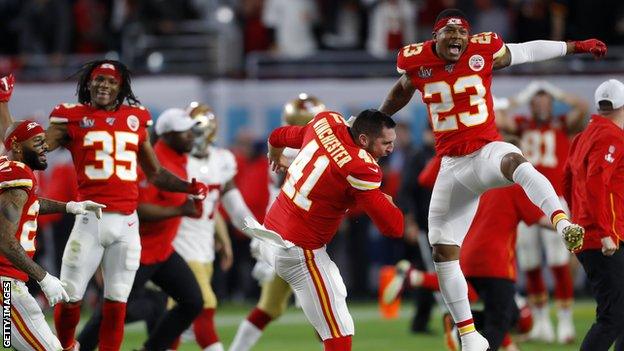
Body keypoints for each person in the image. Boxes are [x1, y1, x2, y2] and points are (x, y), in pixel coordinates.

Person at [379, 8, 605, 350]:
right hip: (451, 167)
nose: (457, 38)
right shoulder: (416, 61)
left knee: (516, 161)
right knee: (442, 252)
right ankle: (469, 336)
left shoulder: (482, 50)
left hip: (484, 151)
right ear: (435, 36)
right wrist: (378, 118)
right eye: (449, 32)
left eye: (462, 33)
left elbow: (527, 51)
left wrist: (574, 46)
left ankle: (561, 223)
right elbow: (403, 88)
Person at [14, 60, 208, 351]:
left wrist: (187, 186)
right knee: (70, 298)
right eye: (99, 79)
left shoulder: (137, 119)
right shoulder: (72, 117)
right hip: (90, 218)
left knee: (117, 302)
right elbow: (36, 145)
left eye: (111, 81)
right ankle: (67, 347)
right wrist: (10, 128)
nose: (104, 85)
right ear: (88, 84)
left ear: (121, 87)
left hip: (128, 224)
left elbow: (155, 173)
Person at [245, 108, 404, 351]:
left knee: (331, 305)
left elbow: (277, 136)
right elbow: (394, 227)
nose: (391, 149)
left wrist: (275, 156)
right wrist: (386, 201)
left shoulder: (326, 121)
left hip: (271, 234)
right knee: (339, 330)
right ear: (363, 139)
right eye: (386, 143)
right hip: (299, 251)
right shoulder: (361, 167)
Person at [76, 107, 206, 350]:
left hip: (162, 250)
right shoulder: (154, 163)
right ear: (166, 135)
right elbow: (139, 208)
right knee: (109, 312)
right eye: (183, 132)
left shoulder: (179, 159)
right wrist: (181, 210)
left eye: (191, 131)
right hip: (136, 252)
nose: (190, 136)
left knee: (192, 301)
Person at [229, 94, 326, 351]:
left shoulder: (287, 149)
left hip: (286, 238)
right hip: (298, 240)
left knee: (269, 308)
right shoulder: (303, 154)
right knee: (327, 312)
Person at [0, 115, 104, 350]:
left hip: (7, 283)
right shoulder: (18, 175)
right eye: (37, 141)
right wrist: (44, 277)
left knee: (17, 344)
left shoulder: (9, 170)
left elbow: (30, 203)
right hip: (5, 287)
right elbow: (5, 240)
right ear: (16, 146)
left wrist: (68, 207)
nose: (45, 145)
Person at [498, 81, 588, 344]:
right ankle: (540, 322)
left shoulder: (561, 123)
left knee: (559, 263)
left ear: (551, 103)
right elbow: (500, 114)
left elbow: (582, 107)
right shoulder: (522, 125)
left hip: (554, 199)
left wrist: (556, 92)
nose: (540, 105)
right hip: (527, 197)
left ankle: (565, 322)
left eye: (545, 101)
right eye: (535, 101)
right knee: (530, 263)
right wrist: (520, 96)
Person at [168, 102, 257, 351]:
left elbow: (231, 207)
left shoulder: (221, 160)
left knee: (178, 314)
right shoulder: (175, 161)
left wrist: (258, 235)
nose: (189, 137)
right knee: (205, 306)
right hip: (179, 245)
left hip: (204, 247)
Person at [563, 79, 624, 351]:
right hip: (605, 238)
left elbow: (566, 181)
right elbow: (596, 181)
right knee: (612, 316)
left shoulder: (582, 136)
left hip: (591, 233)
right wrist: (605, 232)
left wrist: (578, 220)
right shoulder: (611, 136)